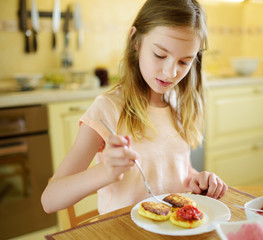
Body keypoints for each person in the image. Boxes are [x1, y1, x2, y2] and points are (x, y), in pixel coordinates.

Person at [41, 0, 228, 215]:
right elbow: (50, 200)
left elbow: (173, 170)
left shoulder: (179, 103)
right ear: (135, 41)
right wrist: (105, 172)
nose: (170, 72)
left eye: (184, 62)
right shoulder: (107, 109)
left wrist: (196, 179)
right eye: (160, 55)